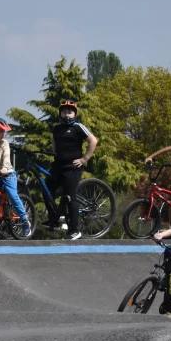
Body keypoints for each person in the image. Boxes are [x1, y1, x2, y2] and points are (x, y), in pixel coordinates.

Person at [51, 100, 98, 241]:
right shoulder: (57, 128)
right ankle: (54, 218)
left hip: (73, 167)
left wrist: (84, 159)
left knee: (70, 196)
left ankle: (74, 230)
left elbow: (93, 141)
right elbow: (54, 141)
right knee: (47, 189)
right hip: (59, 165)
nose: (67, 115)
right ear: (60, 113)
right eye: (64, 112)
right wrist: (55, 154)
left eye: (70, 112)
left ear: (75, 114)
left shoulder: (78, 127)